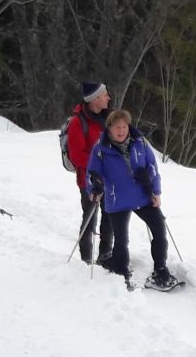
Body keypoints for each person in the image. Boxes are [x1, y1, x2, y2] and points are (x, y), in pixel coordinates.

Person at [85, 109, 181, 290]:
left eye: (124, 126)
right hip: (117, 198)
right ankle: (120, 269)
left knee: (159, 228)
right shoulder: (100, 148)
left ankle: (160, 269)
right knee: (121, 239)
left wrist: (156, 191)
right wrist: (94, 187)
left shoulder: (140, 143)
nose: (121, 131)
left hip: (143, 196)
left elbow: (152, 167)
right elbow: (91, 173)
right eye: (117, 128)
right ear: (109, 129)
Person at [64, 81, 112, 265]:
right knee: (90, 217)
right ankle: (85, 259)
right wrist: (100, 164)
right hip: (89, 180)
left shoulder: (108, 118)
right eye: (105, 94)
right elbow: (77, 156)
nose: (108, 97)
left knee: (110, 216)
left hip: (110, 178)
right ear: (95, 99)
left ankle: (106, 257)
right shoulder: (78, 122)